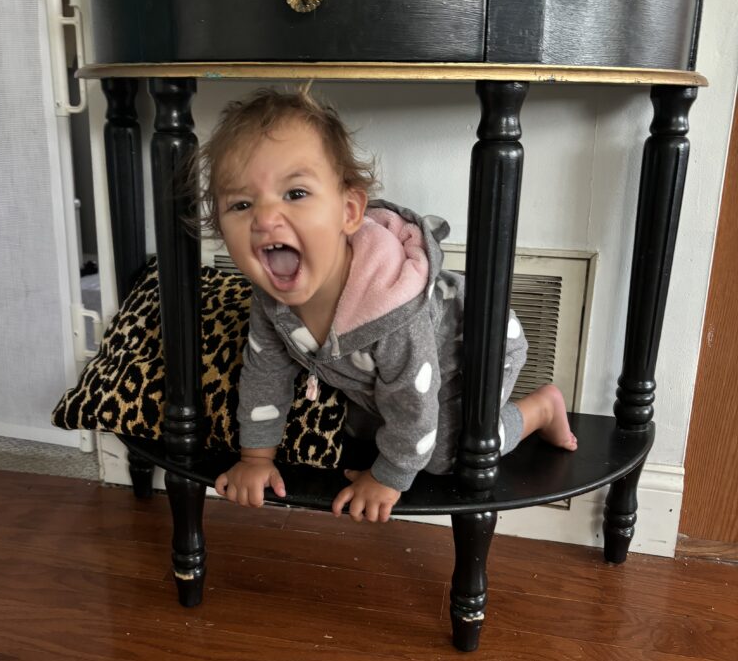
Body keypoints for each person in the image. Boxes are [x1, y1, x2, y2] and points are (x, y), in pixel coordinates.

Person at [203, 88, 577, 523]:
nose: (265, 219)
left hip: (475, 349)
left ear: (349, 211)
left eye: (296, 193)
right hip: (394, 378)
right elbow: (265, 373)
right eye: (241, 204)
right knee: (363, 426)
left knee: (443, 453)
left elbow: (415, 406)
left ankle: (540, 409)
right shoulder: (271, 299)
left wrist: (388, 478)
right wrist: (255, 458)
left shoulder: (390, 311)